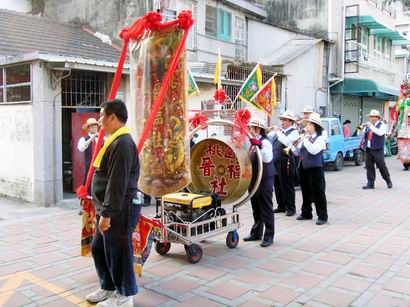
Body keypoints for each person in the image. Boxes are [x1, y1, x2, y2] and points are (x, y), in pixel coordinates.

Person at [86, 100, 140, 307]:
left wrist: (107, 214)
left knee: (119, 249)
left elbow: (117, 183)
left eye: (101, 115)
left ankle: (125, 295)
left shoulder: (123, 143)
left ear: (112, 117)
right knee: (99, 248)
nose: (99, 121)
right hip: (109, 208)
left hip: (120, 208)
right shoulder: (114, 141)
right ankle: (108, 287)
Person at [243, 118, 275, 247]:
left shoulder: (266, 142)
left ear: (258, 129)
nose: (249, 130)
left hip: (265, 179)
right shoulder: (251, 142)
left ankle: (269, 235)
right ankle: (256, 233)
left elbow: (267, 158)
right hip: (254, 179)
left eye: (252, 128)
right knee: (256, 207)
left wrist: (259, 146)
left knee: (266, 207)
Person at [295, 113, 328, 225]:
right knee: (306, 191)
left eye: (309, 124)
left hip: (315, 168)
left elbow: (314, 150)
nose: (307, 127)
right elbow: (297, 152)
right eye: (307, 124)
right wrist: (295, 145)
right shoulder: (306, 138)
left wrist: (304, 140)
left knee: (318, 192)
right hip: (303, 167)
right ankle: (306, 212)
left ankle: (322, 216)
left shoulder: (320, 139)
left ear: (315, 126)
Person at [268, 110, 299, 216]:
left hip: (286, 161)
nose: (282, 122)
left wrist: (277, 132)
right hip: (276, 161)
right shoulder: (281, 132)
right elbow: (269, 138)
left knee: (287, 185)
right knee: (277, 184)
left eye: (284, 120)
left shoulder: (294, 132)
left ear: (291, 121)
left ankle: (291, 208)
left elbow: (287, 142)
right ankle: (281, 205)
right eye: (282, 120)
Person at [362, 110, 393, 190]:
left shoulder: (382, 125)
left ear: (377, 117)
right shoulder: (368, 125)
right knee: (369, 167)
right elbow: (361, 133)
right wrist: (361, 128)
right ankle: (370, 184)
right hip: (369, 149)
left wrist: (371, 126)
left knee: (382, 166)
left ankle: (388, 181)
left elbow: (379, 133)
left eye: (373, 116)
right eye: (370, 116)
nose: (371, 118)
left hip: (378, 149)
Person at [77, 117, 100, 215]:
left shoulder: (102, 137)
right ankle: (85, 207)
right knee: (88, 185)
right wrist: (91, 138)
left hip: (100, 166)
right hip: (89, 166)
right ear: (88, 128)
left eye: (95, 126)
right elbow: (81, 148)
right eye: (92, 127)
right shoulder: (84, 139)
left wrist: (99, 137)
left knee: (100, 184)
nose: (94, 128)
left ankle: (98, 205)